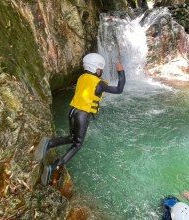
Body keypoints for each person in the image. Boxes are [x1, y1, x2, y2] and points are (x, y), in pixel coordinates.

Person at [34, 53, 126, 185]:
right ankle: (53, 166)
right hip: (82, 115)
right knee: (77, 144)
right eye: (101, 68)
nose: (102, 71)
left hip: (72, 111)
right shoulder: (99, 83)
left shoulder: (82, 78)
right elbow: (119, 89)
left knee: (72, 137)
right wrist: (120, 71)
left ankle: (49, 144)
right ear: (96, 68)